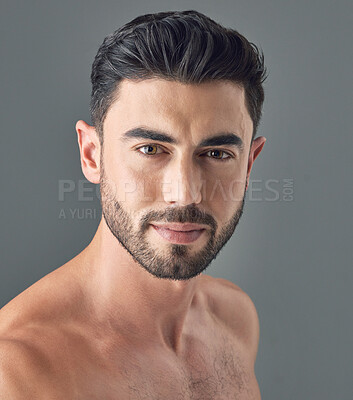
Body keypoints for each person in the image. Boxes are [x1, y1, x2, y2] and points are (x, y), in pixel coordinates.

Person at [0, 9, 267, 399]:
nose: (185, 193)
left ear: (248, 165)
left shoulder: (235, 319)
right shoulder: (19, 369)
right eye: (150, 149)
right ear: (92, 154)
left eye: (217, 154)